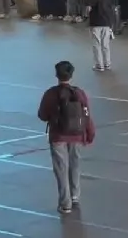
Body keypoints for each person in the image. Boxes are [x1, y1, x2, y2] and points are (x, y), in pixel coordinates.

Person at [36, 60, 95, 214]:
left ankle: (65, 203)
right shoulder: (79, 93)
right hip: (77, 135)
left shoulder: (51, 93)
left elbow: (42, 115)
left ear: (57, 75)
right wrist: (89, 133)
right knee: (75, 165)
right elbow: (87, 114)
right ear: (71, 74)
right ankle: (75, 195)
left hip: (58, 136)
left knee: (61, 169)